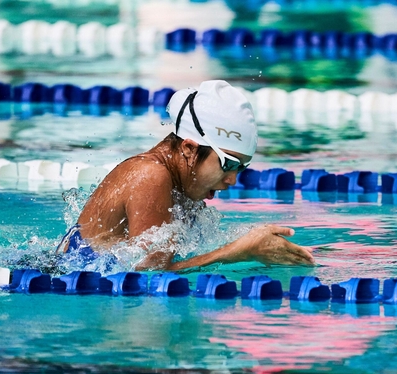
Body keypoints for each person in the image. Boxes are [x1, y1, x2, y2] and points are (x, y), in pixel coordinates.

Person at [58, 80, 316, 271]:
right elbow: (149, 274)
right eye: (228, 164)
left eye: (241, 168)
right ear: (190, 149)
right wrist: (237, 251)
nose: (233, 181)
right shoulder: (150, 175)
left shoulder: (182, 187)